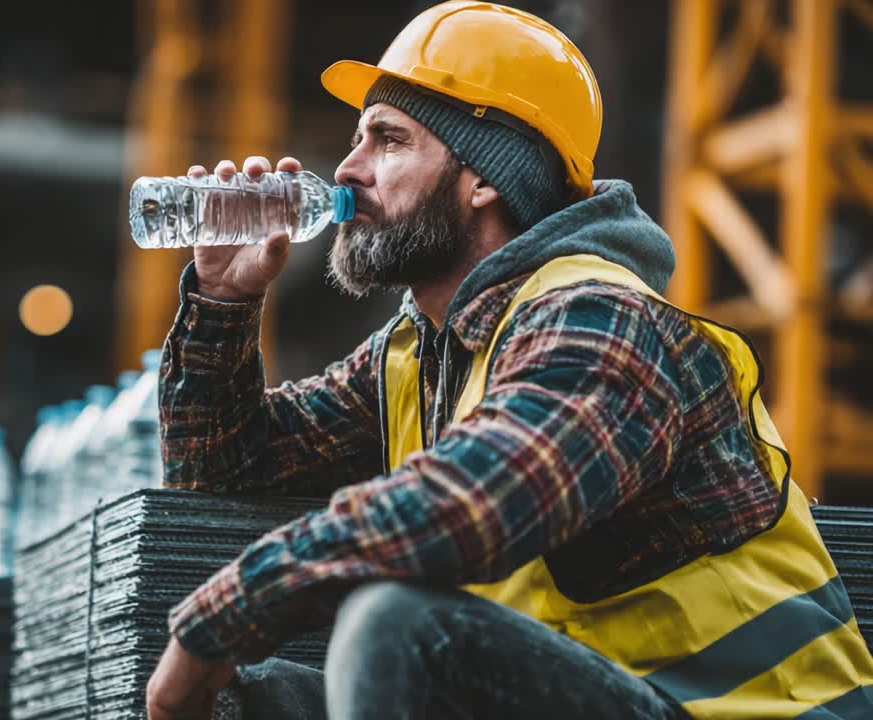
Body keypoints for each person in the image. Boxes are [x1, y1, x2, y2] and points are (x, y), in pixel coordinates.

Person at [144, 2, 873, 719]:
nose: (348, 168)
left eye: (388, 141)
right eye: (356, 139)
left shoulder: (602, 321)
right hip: (598, 693)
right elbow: (219, 473)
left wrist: (226, 613)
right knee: (255, 701)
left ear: (484, 178)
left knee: (398, 631)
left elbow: (479, 499)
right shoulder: (419, 353)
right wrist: (222, 299)